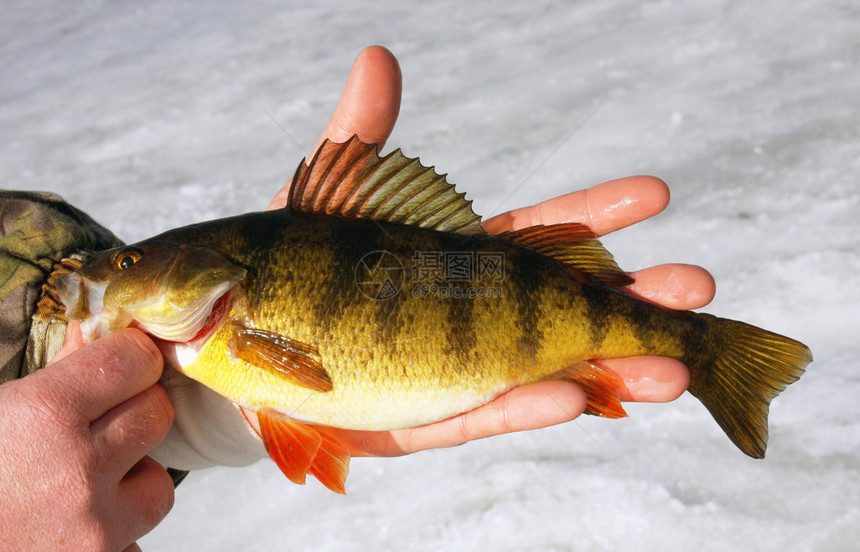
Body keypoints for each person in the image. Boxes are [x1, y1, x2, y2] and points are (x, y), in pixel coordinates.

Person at [0, 46, 715, 552]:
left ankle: (710, 351)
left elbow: (294, 381)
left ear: (195, 270)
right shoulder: (209, 335)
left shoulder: (215, 328)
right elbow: (294, 389)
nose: (108, 270)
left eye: (128, 262)